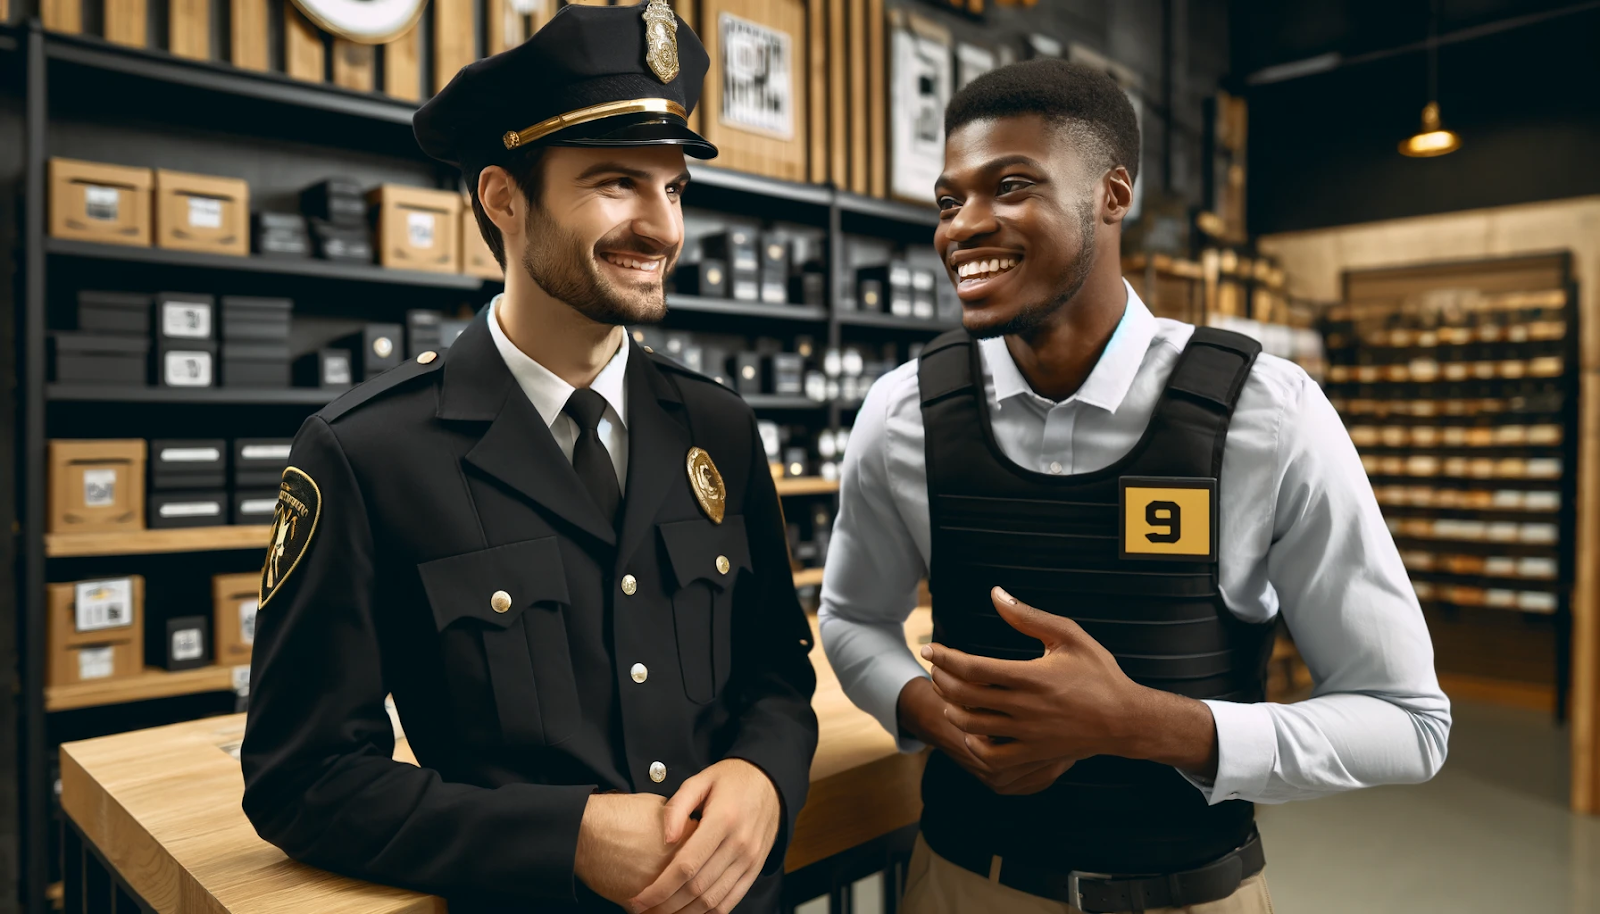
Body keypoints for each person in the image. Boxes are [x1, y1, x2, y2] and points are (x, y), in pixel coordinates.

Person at [819, 59, 1451, 914]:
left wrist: (1139, 723)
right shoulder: (902, 412)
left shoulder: (1268, 414)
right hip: (963, 887)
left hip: (1192, 895)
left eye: (1009, 186)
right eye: (948, 200)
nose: (964, 226)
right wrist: (937, 716)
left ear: (1113, 195)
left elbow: (1408, 723)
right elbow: (853, 619)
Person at [239, 4, 819, 913]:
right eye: (618, 183)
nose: (663, 228)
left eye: (674, 189)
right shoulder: (364, 453)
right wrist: (569, 838)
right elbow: (303, 778)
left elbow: (777, 675)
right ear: (504, 198)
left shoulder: (720, 428)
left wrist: (762, 775)